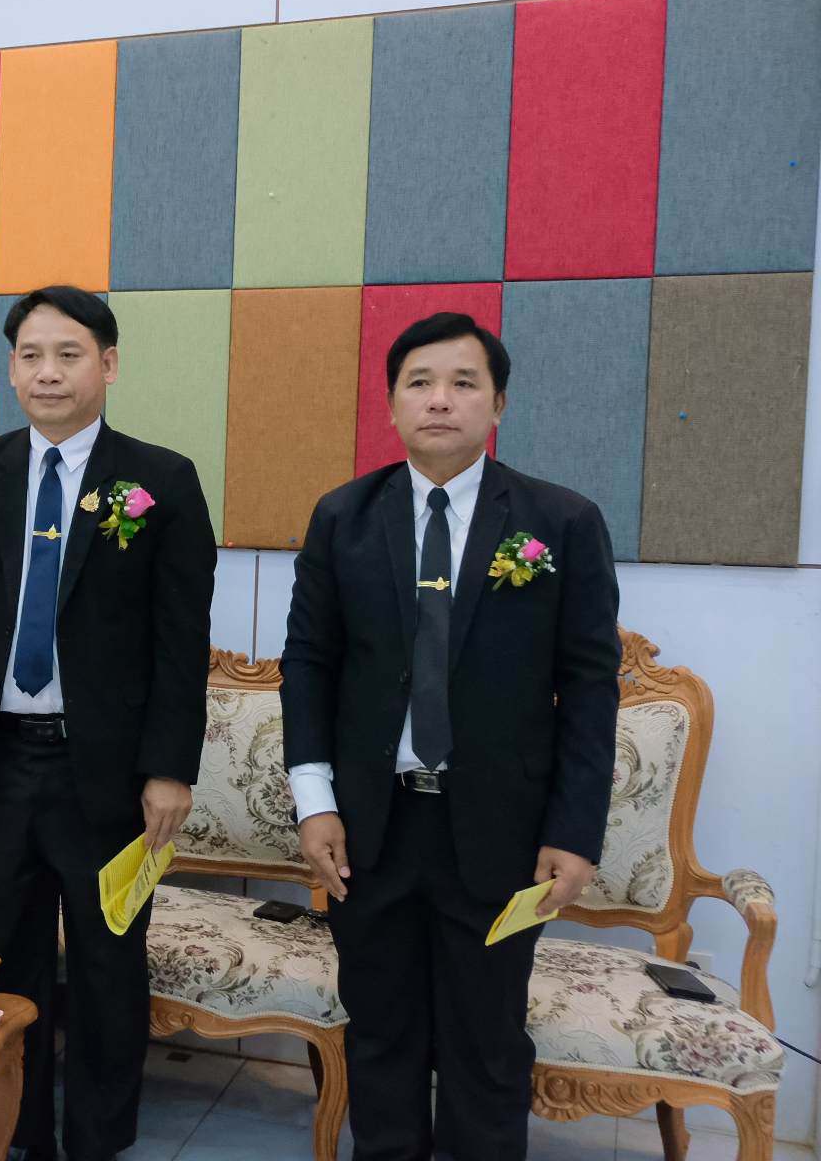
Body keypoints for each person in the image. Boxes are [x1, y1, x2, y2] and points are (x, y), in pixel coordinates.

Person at [280, 312, 621, 1161]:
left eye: (464, 383)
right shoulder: (344, 517)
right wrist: (314, 803)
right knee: (381, 1034)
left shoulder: (562, 521)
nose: (440, 400)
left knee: (487, 1043)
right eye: (419, 383)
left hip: (502, 835)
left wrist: (575, 832)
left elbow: (589, 688)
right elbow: (309, 666)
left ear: (497, 403)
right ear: (392, 403)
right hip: (370, 830)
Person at [0, 287, 216, 1161]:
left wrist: (170, 767)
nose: (49, 372)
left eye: (69, 354)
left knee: (108, 962)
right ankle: (17, 1133)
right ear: (12, 370)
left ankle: (97, 1138)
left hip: (110, 773)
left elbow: (181, 640)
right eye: (31, 356)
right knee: (5, 961)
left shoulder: (161, 480)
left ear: (108, 365)